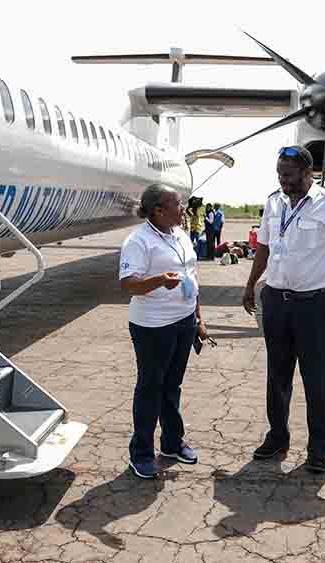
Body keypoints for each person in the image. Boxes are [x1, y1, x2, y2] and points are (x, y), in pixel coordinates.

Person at [242, 145, 325, 474]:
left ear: (308, 173)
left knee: (320, 380)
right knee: (277, 376)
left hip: (316, 305)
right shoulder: (274, 202)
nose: (283, 180)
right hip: (276, 302)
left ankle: (319, 451)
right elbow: (264, 247)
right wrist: (251, 283)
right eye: (279, 174)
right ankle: (277, 437)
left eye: (289, 174)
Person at [119, 184, 209, 480]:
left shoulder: (179, 233)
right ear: (158, 210)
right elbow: (128, 284)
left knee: (172, 386)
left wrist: (198, 318)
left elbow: (192, 276)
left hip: (184, 320)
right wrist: (158, 280)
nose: (183, 208)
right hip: (153, 326)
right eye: (178, 204)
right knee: (150, 388)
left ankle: (171, 443)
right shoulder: (138, 240)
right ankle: (141, 455)